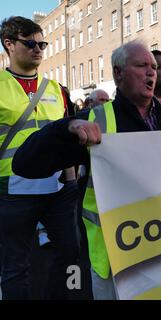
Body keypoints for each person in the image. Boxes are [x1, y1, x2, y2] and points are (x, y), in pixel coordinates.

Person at [12, 40, 161, 300]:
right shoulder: (94, 121)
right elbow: (24, 163)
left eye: (153, 67)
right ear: (118, 73)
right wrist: (65, 129)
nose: (151, 72)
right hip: (115, 259)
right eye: (141, 65)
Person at [0, 16, 79, 300]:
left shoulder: (56, 89)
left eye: (41, 43)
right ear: (9, 44)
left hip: (57, 188)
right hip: (11, 190)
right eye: (30, 43)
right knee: (15, 266)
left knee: (71, 254)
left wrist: (70, 182)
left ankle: (63, 296)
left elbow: (66, 139)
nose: (38, 49)